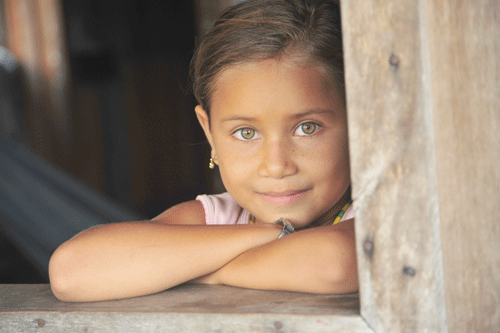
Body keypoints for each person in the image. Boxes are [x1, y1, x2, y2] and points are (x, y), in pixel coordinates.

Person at [49, 0, 358, 302]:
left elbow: (335, 262)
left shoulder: (382, 213)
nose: (277, 166)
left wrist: (197, 269)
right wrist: (266, 236)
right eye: (246, 133)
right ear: (209, 132)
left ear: (359, 123)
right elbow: (71, 271)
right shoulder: (218, 217)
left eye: (307, 128)